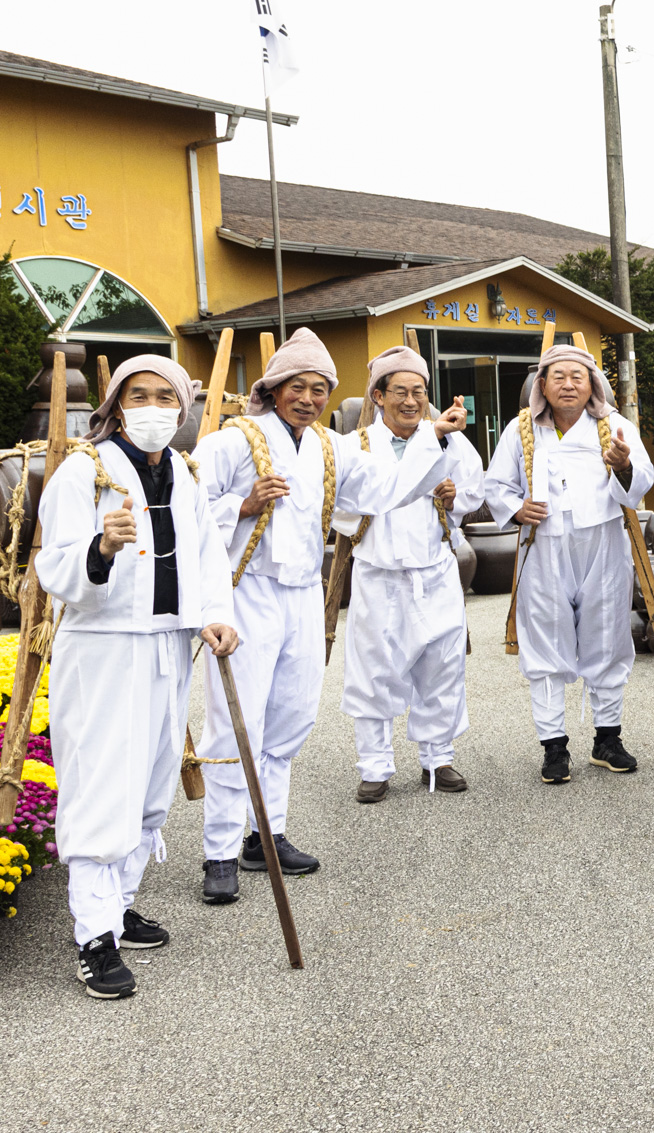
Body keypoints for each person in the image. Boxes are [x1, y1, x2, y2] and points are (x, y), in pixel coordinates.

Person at [192, 328, 456, 904]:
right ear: (273, 388)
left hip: (303, 595)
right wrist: (241, 505)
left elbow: (386, 490)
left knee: (289, 718)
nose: (308, 398)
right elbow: (184, 511)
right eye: (298, 386)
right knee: (237, 725)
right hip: (245, 592)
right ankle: (218, 851)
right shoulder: (231, 441)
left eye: (320, 389)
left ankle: (267, 835)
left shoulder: (330, 448)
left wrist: (429, 438)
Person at [36, 355, 239, 997]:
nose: (153, 407)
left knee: (152, 784)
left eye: (165, 397)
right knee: (103, 785)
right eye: (139, 395)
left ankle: (118, 904)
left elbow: (207, 555)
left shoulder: (184, 471)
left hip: (168, 646)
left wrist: (216, 615)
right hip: (104, 647)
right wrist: (100, 547)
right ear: (117, 403)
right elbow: (53, 565)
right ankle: (93, 939)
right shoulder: (83, 471)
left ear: (181, 408)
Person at [486, 343, 653, 783]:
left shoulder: (613, 426)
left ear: (592, 385)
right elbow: (495, 484)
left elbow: (642, 481)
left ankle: (607, 738)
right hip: (542, 547)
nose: (568, 384)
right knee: (544, 641)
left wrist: (623, 466)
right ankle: (553, 746)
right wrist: (517, 508)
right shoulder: (520, 429)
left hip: (602, 543)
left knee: (607, 636)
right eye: (558, 377)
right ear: (541, 385)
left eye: (577, 377)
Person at [334, 346, 484, 802]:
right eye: (399, 391)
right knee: (374, 670)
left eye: (418, 391)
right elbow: (337, 507)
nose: (410, 401)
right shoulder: (354, 445)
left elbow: (474, 494)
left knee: (441, 666)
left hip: (434, 572)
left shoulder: (451, 441)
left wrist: (453, 496)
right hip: (378, 574)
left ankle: (438, 758)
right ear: (377, 397)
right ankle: (375, 765)